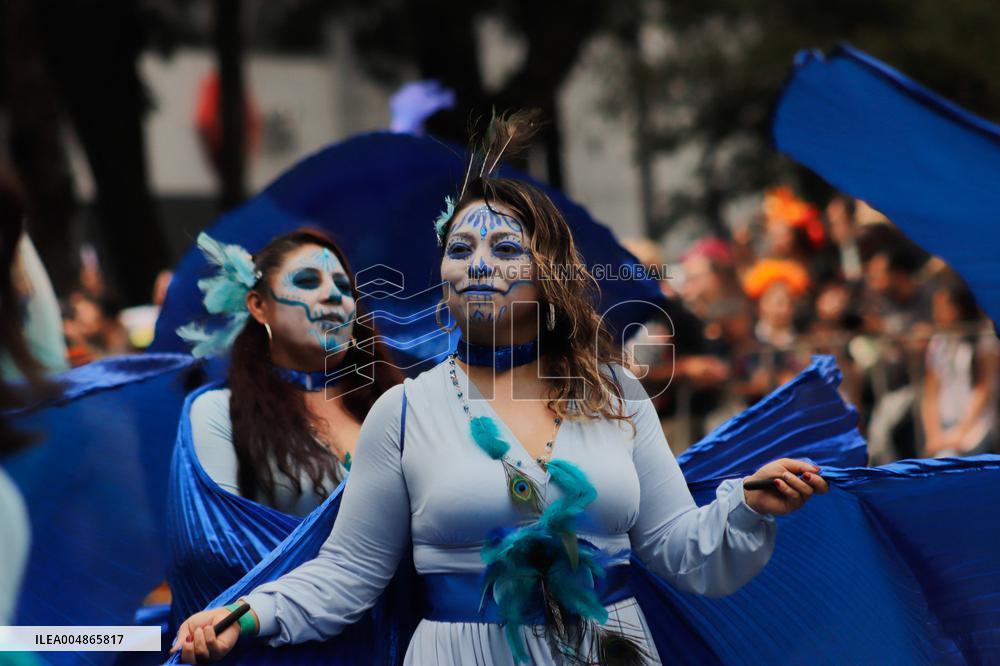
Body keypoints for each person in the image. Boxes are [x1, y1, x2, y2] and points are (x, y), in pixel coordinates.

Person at [171, 112, 827, 665]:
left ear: (548, 275)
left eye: (504, 248)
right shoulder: (403, 413)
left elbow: (682, 551)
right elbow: (347, 574)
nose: (477, 263)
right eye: (460, 250)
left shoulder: (617, 395)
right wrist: (252, 612)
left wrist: (747, 505)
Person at [167, 228, 403, 625]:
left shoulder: (397, 406)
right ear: (259, 306)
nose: (335, 296)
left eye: (344, 287)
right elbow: (210, 551)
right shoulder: (217, 412)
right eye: (309, 281)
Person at [922, 275, 999, 457]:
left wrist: (961, 430)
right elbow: (931, 393)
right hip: (945, 422)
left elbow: (983, 388)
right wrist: (933, 434)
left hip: (976, 422)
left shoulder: (983, 341)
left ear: (960, 308)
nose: (935, 314)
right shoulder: (938, 343)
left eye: (942, 307)